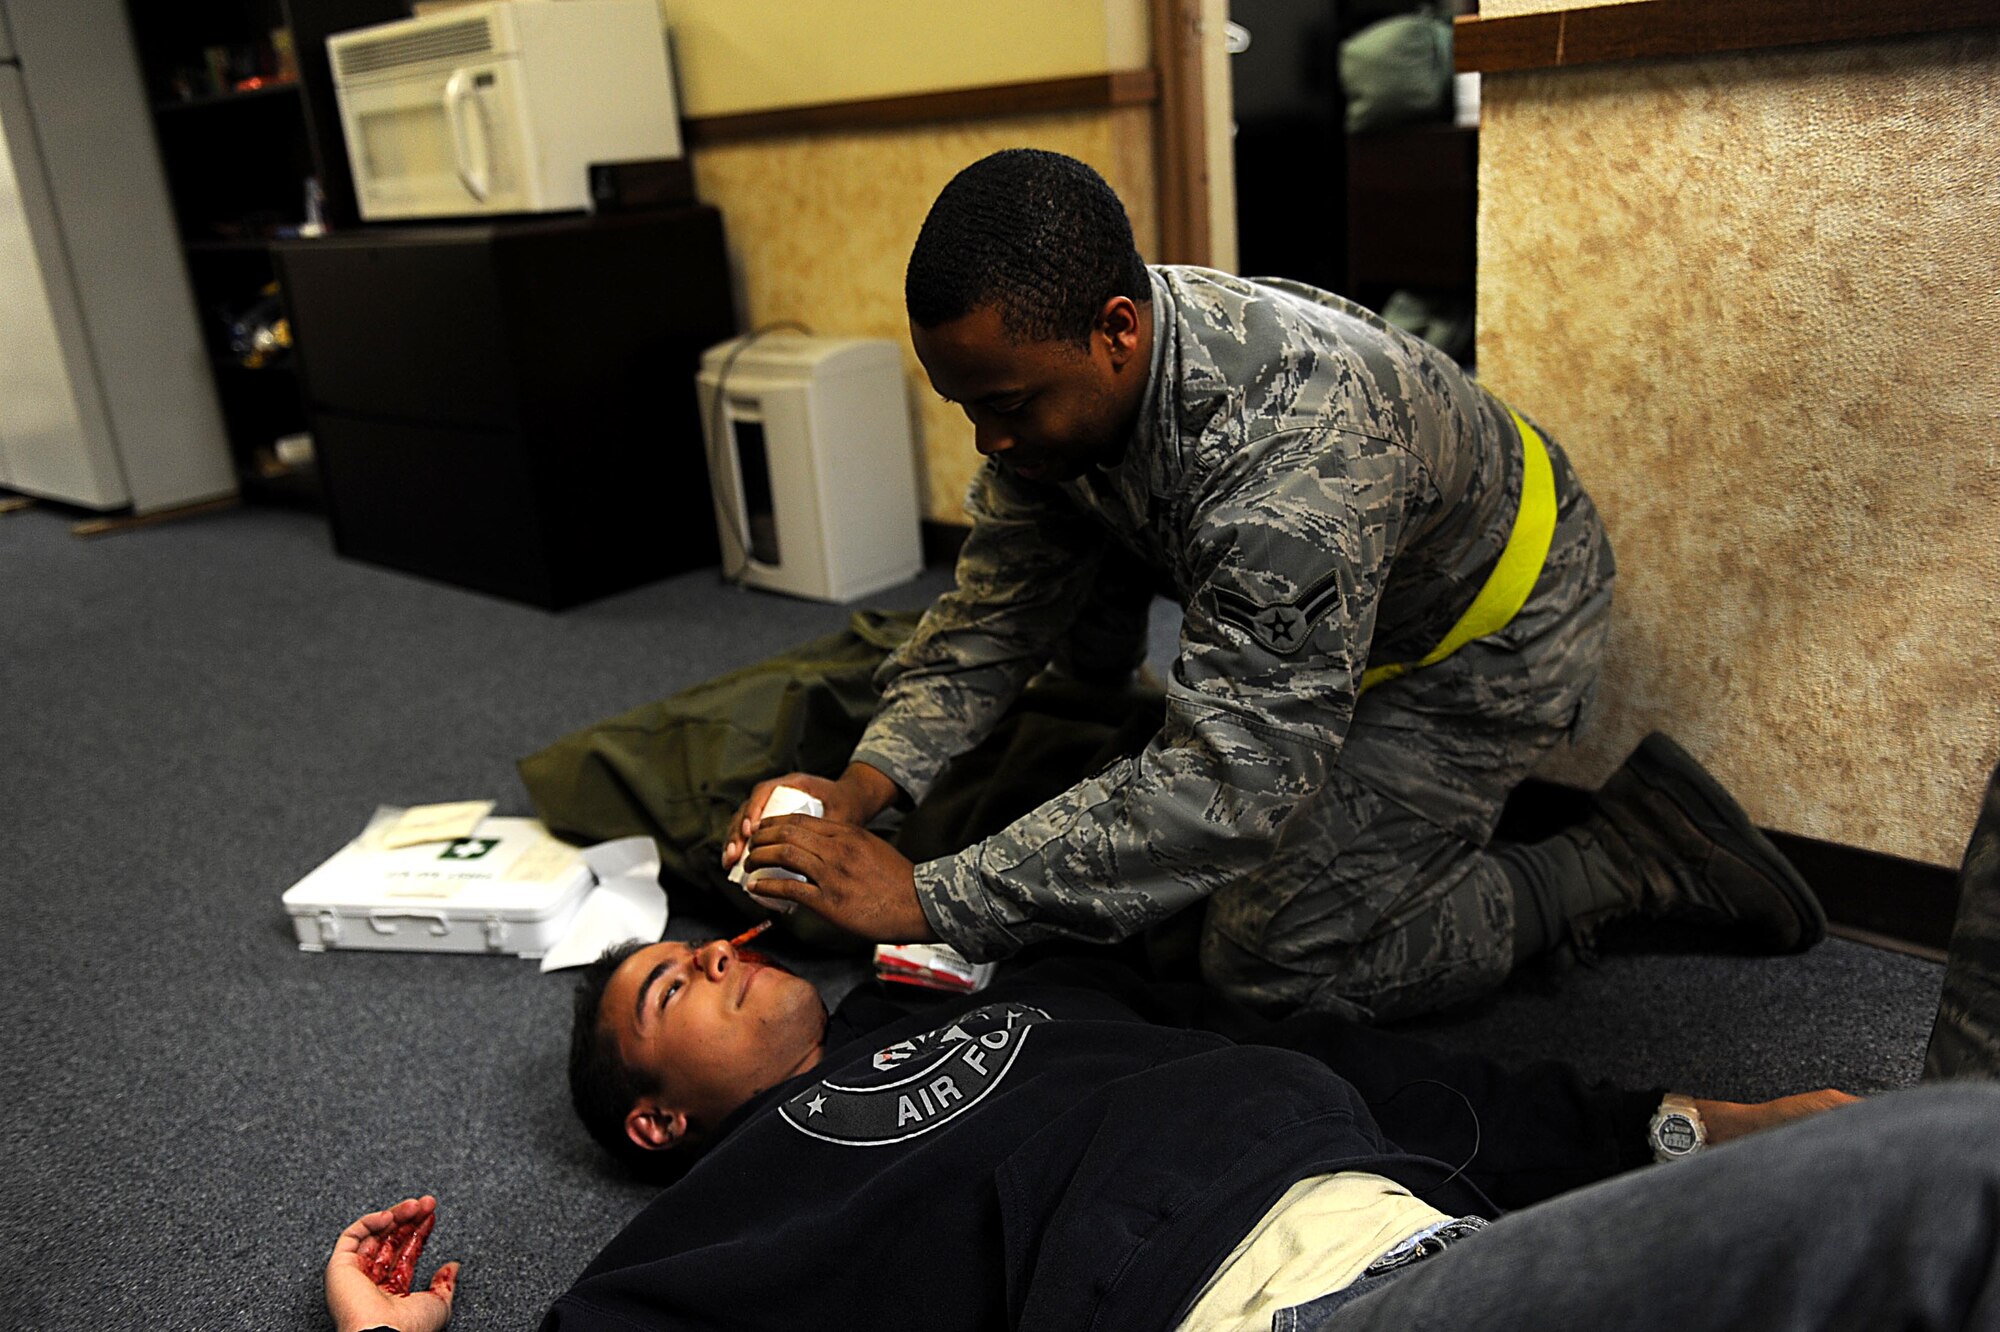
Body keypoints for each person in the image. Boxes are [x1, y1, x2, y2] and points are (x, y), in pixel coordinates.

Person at [720, 148, 1825, 1022]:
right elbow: (993, 618)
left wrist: (928, 898)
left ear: (1116, 331)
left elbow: (1231, 784)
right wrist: (858, 788)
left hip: (1493, 631)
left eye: (1006, 406)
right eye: (966, 407)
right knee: (1066, 594)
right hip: (1344, 603)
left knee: (1269, 961)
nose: (989, 441)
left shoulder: (1288, 461)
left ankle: (1617, 860)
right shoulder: (1072, 377)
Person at [324, 934, 2000, 1332]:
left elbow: (1368, 1072)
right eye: (672, 984)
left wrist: (1690, 1125)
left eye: (712, 940)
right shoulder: (740, 1196)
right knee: (1946, 1179)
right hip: (1270, 1304)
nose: (719, 955)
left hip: (1430, 1234)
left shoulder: (1013, 992)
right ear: (653, 1114)